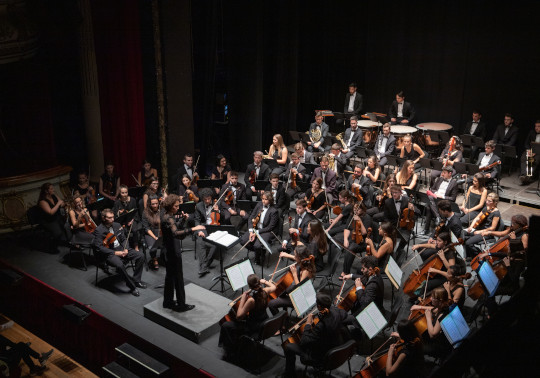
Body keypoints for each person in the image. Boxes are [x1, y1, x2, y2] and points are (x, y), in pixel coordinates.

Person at [283, 292, 348, 377]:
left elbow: (304, 342)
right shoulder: (337, 311)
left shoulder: (320, 326)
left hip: (321, 357)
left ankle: (289, 374)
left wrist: (308, 324)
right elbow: (344, 315)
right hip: (336, 350)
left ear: (319, 306)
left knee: (288, 347)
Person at [160, 194, 205, 311]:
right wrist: (193, 229)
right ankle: (181, 305)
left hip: (167, 250)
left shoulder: (167, 215)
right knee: (178, 278)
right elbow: (176, 233)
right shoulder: (169, 218)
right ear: (170, 206)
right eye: (176, 206)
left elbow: (175, 229)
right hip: (172, 251)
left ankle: (167, 301)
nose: (178, 208)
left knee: (169, 277)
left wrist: (183, 220)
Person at [219, 274, 276, 361]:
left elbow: (238, 316)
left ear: (249, 286)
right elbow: (274, 287)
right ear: (259, 283)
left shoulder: (251, 300)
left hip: (253, 327)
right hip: (264, 322)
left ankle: (231, 351)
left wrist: (243, 298)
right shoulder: (265, 291)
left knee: (226, 325)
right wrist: (264, 282)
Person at [93, 209, 145, 296]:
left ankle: (136, 280)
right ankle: (132, 286)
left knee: (140, 255)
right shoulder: (99, 230)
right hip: (110, 252)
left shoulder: (117, 225)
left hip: (121, 248)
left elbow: (124, 239)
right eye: (109, 218)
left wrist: (126, 249)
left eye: (113, 217)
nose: (112, 219)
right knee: (120, 265)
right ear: (103, 218)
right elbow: (99, 247)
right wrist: (116, 253)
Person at [268, 245, 316, 314]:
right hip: (293, 292)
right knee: (282, 291)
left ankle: (280, 321)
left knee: (271, 304)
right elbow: (296, 258)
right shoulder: (304, 261)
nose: (294, 256)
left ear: (300, 258)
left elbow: (299, 289)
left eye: (295, 255)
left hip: (299, 298)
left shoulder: (306, 271)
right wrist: (286, 255)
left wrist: (294, 274)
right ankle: (285, 313)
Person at [409, 287, 451, 358]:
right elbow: (433, 309)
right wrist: (420, 307)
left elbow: (432, 334)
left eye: (433, 297)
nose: (430, 299)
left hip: (439, 346)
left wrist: (428, 318)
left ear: (440, 301)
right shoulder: (443, 305)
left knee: (415, 347)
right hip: (438, 339)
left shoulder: (442, 315)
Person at [239, 191, 279, 265]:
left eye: (265, 199)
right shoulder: (259, 204)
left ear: (270, 200)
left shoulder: (274, 211)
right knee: (242, 241)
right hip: (255, 228)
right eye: (262, 199)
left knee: (257, 245)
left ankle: (258, 257)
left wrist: (256, 232)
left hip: (266, 231)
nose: (263, 201)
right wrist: (251, 231)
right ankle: (260, 252)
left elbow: (270, 227)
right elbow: (251, 217)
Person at [463, 192, 501, 257]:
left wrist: (480, 231)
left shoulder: (496, 213)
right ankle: (468, 255)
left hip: (486, 233)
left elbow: (492, 228)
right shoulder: (486, 208)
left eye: (489, 201)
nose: (487, 202)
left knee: (468, 242)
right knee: (462, 233)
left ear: (495, 202)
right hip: (478, 229)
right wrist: (471, 227)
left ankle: (478, 255)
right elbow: (477, 217)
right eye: (486, 200)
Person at [193, 188, 221, 276]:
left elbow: (225, 217)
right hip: (204, 226)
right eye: (205, 199)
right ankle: (204, 266)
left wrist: (218, 211)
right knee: (200, 239)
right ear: (202, 199)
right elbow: (197, 220)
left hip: (215, 226)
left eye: (209, 199)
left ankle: (205, 265)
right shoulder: (199, 206)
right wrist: (198, 230)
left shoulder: (217, 203)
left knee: (214, 244)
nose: (208, 201)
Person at [423, 167, 459, 234]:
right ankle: (438, 217)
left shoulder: (454, 183)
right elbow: (432, 189)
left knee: (429, 205)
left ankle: (426, 229)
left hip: (444, 201)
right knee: (429, 203)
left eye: (444, 173)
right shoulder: (440, 179)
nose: (442, 174)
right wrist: (436, 194)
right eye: (442, 172)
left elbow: (453, 198)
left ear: (450, 173)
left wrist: (442, 196)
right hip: (435, 199)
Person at [339, 202, 368, 275]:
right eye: (354, 209)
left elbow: (364, 233)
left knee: (350, 249)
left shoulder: (367, 217)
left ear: (362, 210)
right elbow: (347, 228)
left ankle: (345, 271)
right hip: (353, 238)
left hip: (363, 241)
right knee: (338, 240)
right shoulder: (352, 216)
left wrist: (359, 220)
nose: (355, 210)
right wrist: (345, 239)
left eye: (358, 209)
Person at [113, 185, 140, 251]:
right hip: (122, 221)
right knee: (123, 231)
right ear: (120, 193)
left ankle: (136, 246)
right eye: (123, 193)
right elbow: (115, 216)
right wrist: (119, 213)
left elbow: (135, 212)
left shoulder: (133, 200)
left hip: (132, 219)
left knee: (134, 230)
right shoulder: (117, 202)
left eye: (126, 192)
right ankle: (125, 247)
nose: (125, 194)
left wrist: (131, 221)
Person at [142, 195, 162, 270]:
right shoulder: (145, 212)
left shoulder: (161, 210)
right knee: (153, 248)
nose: (155, 205)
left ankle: (163, 257)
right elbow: (146, 228)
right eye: (153, 204)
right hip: (150, 233)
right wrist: (155, 237)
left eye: (156, 203)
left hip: (160, 230)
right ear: (149, 204)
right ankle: (154, 259)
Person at [518, 120, 540, 185]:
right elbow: (526, 143)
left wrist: (535, 153)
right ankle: (523, 175)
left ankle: (529, 176)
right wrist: (528, 150)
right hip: (531, 150)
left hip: (538, 153)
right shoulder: (532, 132)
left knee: (533, 160)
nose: (536, 128)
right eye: (536, 126)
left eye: (539, 126)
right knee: (524, 157)